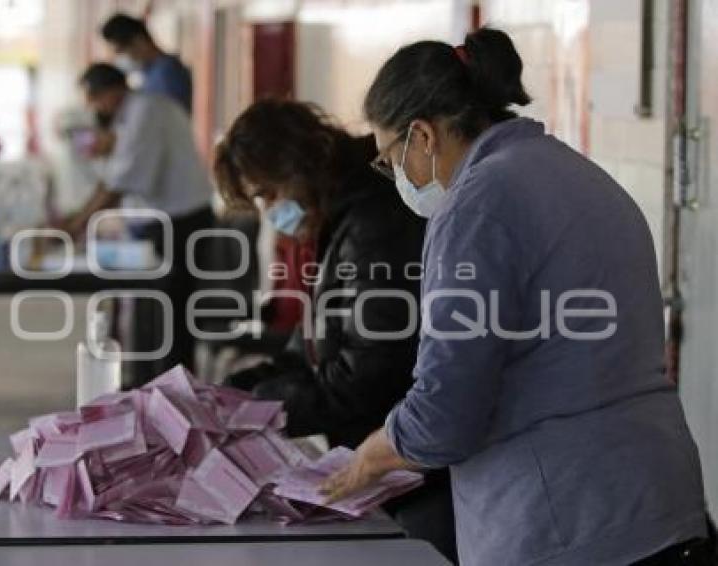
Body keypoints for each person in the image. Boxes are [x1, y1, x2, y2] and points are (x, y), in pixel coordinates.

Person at [320, 28, 712, 566]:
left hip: (568, 525)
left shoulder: (476, 205)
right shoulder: (577, 173)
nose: (394, 178)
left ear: (423, 136)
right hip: (658, 504)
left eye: (389, 160)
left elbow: (447, 409)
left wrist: (374, 454)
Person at [214, 99, 456, 561]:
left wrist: (250, 413)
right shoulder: (341, 219)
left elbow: (368, 377)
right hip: (382, 461)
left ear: (303, 162)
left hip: (409, 467)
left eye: (269, 194)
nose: (271, 213)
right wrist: (231, 393)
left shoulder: (373, 224)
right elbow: (310, 348)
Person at [55, 63, 213, 378]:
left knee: (171, 316)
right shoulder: (133, 116)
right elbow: (112, 180)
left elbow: (119, 183)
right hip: (162, 222)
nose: (93, 109)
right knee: (149, 312)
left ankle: (172, 391)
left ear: (111, 93)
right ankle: (146, 385)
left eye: (94, 99)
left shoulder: (147, 113)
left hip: (182, 224)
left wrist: (78, 225)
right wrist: (76, 219)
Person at [101, 13, 192, 113]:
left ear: (139, 41)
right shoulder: (149, 74)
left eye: (121, 51)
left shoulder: (167, 73)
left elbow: (172, 117)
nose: (121, 58)